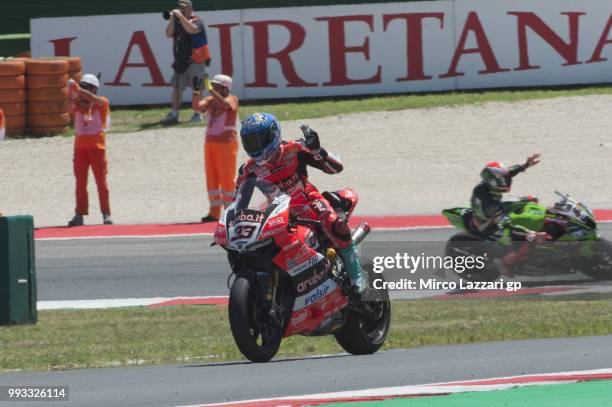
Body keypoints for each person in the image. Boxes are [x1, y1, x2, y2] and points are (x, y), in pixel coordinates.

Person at [236, 113, 366, 294]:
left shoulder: (295, 149)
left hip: (308, 200)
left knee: (333, 223)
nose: (255, 147)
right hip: (276, 212)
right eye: (250, 141)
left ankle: (356, 275)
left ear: (273, 135)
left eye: (258, 140)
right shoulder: (248, 169)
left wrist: (318, 150)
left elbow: (336, 168)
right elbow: (237, 205)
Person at [470, 154, 549, 275]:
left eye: (504, 178)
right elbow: (505, 224)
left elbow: (509, 172)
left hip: (498, 207)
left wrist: (526, 164)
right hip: (488, 222)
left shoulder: (494, 182)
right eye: (502, 180)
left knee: (532, 200)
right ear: (492, 181)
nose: (506, 181)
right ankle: (505, 264)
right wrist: (529, 234)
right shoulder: (485, 197)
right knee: (520, 247)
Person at [67, 74, 113, 227]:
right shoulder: (78, 103)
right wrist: (71, 94)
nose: (83, 91)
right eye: (83, 87)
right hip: (80, 149)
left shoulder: (102, 102)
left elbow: (96, 101)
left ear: (93, 89)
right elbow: (69, 108)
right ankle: (79, 214)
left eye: (87, 88)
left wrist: (78, 89)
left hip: (97, 148)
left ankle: (106, 213)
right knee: (80, 183)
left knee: (101, 182)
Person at [192, 74, 239, 222]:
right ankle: (214, 212)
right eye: (213, 86)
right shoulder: (211, 100)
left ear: (226, 88)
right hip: (210, 143)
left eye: (217, 86)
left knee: (226, 178)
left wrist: (211, 90)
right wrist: (196, 92)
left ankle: (231, 211)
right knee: (212, 178)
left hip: (226, 144)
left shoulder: (232, 99)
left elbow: (225, 105)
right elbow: (196, 107)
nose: (213, 89)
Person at [162, 0, 211, 124]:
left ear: (190, 8)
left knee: (197, 88)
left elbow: (192, 30)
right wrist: (173, 19)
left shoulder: (197, 21)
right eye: (180, 8)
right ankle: (174, 113)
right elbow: (168, 34)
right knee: (177, 88)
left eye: (184, 8)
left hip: (196, 60)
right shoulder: (177, 21)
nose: (182, 10)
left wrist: (180, 16)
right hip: (181, 61)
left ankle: (197, 114)